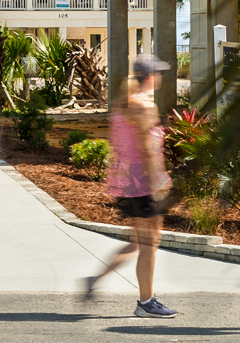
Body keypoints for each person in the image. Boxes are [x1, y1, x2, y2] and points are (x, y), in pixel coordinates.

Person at [81, 53, 176, 319]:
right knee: (149, 244)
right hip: (141, 184)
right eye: (158, 73)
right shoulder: (143, 107)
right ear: (151, 76)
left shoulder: (123, 103)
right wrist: (158, 183)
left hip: (124, 183)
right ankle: (146, 302)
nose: (160, 77)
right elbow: (147, 150)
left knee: (138, 243)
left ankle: (95, 280)